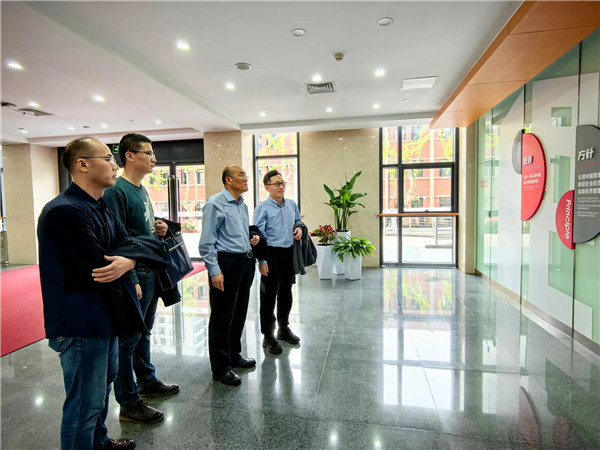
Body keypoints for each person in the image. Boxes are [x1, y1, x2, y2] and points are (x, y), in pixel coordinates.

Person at [38, 137, 168, 450]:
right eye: (107, 158)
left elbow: (142, 245)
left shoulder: (99, 206)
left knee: (99, 396)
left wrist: (130, 260)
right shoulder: (64, 211)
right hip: (81, 322)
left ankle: (99, 441)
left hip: (105, 316)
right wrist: (132, 256)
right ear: (82, 164)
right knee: (84, 405)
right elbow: (101, 265)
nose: (114, 165)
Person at [103, 133, 179, 424]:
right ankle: (128, 401)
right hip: (136, 273)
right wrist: (131, 277)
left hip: (150, 270)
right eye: (148, 153)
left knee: (144, 331)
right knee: (128, 339)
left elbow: (139, 229)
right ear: (130, 156)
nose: (154, 159)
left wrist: (158, 228)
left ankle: (146, 380)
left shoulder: (141, 189)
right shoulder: (116, 191)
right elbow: (116, 238)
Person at [199, 165, 260, 386]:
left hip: (245, 262)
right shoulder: (215, 204)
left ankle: (234, 354)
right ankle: (221, 367)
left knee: (239, 312)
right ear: (228, 180)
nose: (246, 179)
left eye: (246, 175)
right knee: (222, 316)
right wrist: (215, 270)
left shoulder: (242, 204)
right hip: (226, 264)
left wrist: (251, 240)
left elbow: (238, 233)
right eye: (241, 175)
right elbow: (207, 242)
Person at [253, 170, 302, 354]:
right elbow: (258, 235)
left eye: (282, 183)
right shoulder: (262, 208)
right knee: (268, 296)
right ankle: (268, 335)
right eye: (276, 184)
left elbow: (298, 222)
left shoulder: (291, 204)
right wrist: (262, 260)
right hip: (271, 254)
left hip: (288, 253)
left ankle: (283, 328)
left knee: (286, 293)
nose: (281, 187)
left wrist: (299, 229)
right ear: (267, 187)